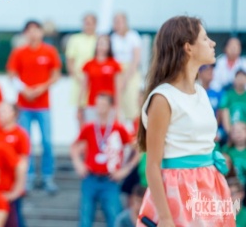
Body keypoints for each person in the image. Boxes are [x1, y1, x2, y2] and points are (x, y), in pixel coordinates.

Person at [137, 16, 235, 226]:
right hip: (178, 188)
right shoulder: (163, 98)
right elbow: (152, 165)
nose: (213, 43)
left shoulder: (201, 92)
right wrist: (165, 218)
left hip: (210, 182)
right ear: (188, 47)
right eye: (205, 38)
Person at [6, 20, 62, 193]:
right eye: (29, 30)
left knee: (47, 142)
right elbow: (12, 74)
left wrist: (41, 88)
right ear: (25, 33)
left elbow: (56, 74)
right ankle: (28, 177)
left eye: (36, 30)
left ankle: (47, 177)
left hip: (43, 105)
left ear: (41, 32)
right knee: (25, 143)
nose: (33, 33)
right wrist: (24, 90)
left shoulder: (49, 51)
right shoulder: (19, 52)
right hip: (24, 106)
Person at [70, 94, 139, 227]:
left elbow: (137, 150)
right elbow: (74, 147)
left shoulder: (118, 128)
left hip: (110, 180)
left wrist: (125, 170)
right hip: (90, 177)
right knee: (85, 218)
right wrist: (78, 163)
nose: (100, 108)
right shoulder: (89, 127)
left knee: (114, 218)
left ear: (110, 107)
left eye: (103, 104)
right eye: (98, 104)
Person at [0, 102, 30, 227]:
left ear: (14, 114)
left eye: (4, 111)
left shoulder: (20, 134)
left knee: (15, 219)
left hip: (12, 185)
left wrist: (17, 189)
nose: (0, 114)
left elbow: (23, 163)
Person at [81, 35, 123, 124]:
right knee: (92, 129)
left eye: (104, 44)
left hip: (109, 105)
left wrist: (118, 107)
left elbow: (118, 88)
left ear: (109, 47)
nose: (101, 47)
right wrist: (80, 107)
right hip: (93, 104)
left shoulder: (114, 64)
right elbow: (84, 87)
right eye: (99, 44)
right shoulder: (89, 64)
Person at [111, 12, 143, 123]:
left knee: (132, 101)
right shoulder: (113, 38)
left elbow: (136, 59)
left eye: (119, 21)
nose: (117, 24)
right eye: (115, 22)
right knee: (118, 104)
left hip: (131, 72)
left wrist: (125, 79)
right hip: (117, 72)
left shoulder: (133, 36)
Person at [65, 13, 98, 111]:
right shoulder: (75, 39)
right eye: (86, 23)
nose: (88, 25)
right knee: (80, 111)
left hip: (96, 82)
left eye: (90, 23)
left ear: (95, 24)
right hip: (79, 80)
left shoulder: (99, 39)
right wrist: (77, 78)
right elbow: (70, 61)